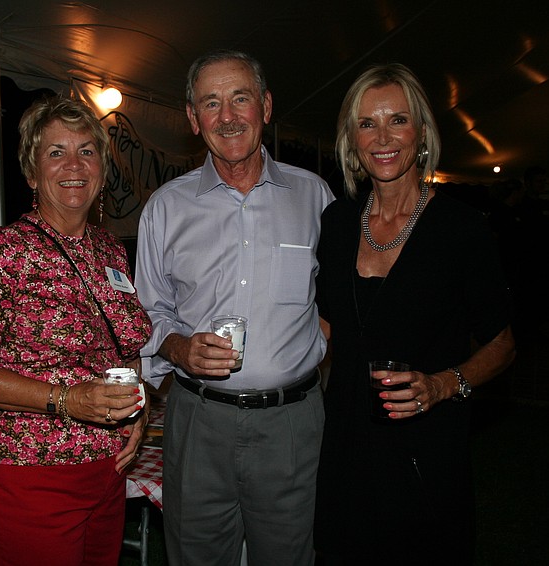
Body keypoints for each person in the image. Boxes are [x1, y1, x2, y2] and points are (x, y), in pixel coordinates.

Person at [135, 50, 335, 566]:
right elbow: (147, 311)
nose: (227, 116)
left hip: (291, 424)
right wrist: (178, 347)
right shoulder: (165, 207)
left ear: (265, 106)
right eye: (211, 103)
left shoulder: (314, 197)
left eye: (240, 98)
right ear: (192, 118)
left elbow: (338, 299)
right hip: (199, 422)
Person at [314, 63, 516, 565]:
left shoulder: (461, 230)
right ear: (352, 139)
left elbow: (502, 343)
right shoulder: (337, 222)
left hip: (424, 454)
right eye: (367, 124)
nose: (382, 137)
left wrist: (445, 384)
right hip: (345, 449)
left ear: (421, 133)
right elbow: (325, 324)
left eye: (397, 120)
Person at [0, 94, 152, 566]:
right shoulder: (1, 251)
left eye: (87, 151)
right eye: (56, 152)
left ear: (102, 168)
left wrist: (135, 408)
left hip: (108, 471)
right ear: (32, 173)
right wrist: (68, 399)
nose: (74, 165)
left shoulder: (110, 251)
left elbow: (124, 346)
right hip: (31, 477)